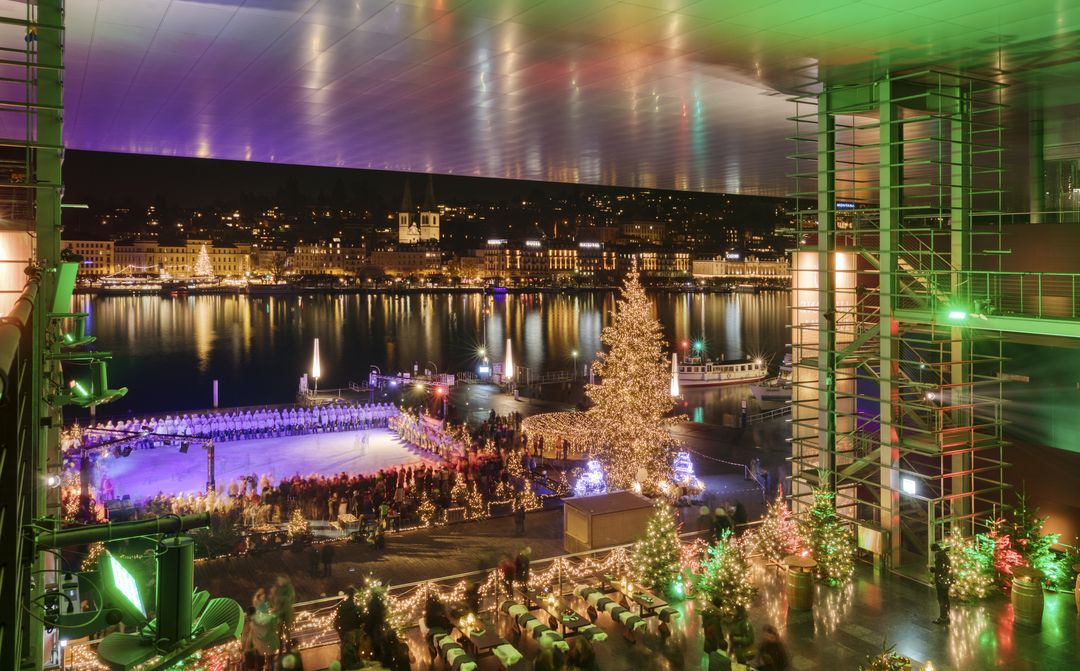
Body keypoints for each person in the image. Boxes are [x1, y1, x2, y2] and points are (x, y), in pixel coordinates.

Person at [334, 588, 362, 668]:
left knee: (345, 650)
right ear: (353, 596)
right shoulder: (355, 607)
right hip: (353, 631)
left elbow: (337, 620)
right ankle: (354, 665)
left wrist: (339, 629)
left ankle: (344, 666)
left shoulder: (341, 606)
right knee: (354, 650)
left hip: (343, 631)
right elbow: (359, 619)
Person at [931, 542, 952, 624]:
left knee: (941, 598)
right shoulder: (945, 555)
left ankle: (942, 617)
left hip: (941, 580)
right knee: (946, 597)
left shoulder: (939, 556)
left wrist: (934, 570)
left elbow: (940, 569)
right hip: (946, 580)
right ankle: (947, 616)